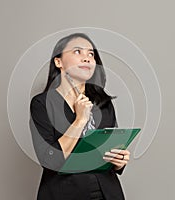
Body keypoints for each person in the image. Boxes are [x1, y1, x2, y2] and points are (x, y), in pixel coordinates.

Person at [29, 33, 130, 200]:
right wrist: (80, 120)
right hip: (63, 193)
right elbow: (50, 160)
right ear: (58, 61)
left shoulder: (103, 103)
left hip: (107, 192)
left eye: (91, 54)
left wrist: (119, 161)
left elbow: (108, 150)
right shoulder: (42, 104)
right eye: (77, 51)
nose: (87, 58)